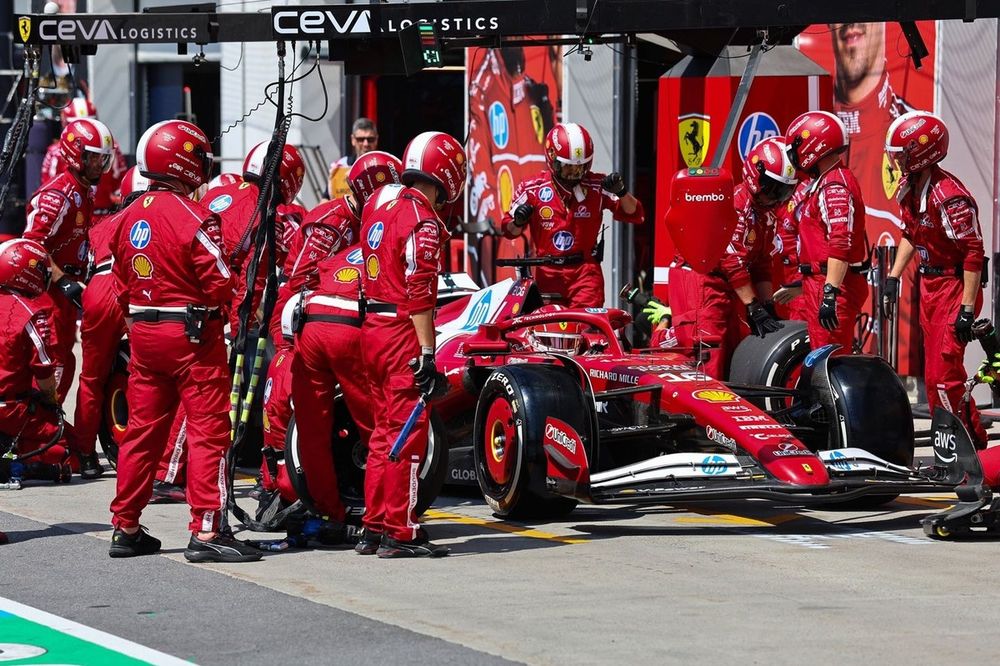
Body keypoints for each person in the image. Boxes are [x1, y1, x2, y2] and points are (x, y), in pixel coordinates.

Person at [108, 119, 260, 563]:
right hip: (192, 337)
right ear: (183, 162)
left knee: (141, 433)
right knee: (210, 430)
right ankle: (208, 530)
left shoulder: (125, 215)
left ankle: (125, 526)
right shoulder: (196, 217)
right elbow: (218, 281)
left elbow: (118, 282)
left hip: (144, 333)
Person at [359, 131, 466, 558]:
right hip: (401, 332)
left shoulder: (377, 205)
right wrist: (427, 354)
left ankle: (372, 525)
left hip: (370, 327)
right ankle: (400, 531)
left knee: (382, 434)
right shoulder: (423, 222)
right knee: (408, 435)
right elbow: (420, 292)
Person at [882, 111, 988, 447]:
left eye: (901, 155)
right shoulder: (910, 188)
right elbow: (910, 234)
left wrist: (967, 309)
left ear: (921, 152)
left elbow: (973, 253)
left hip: (955, 288)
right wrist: (893, 277)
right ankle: (964, 442)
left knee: (945, 377)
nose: (896, 162)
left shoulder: (949, 196)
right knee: (933, 379)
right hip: (929, 287)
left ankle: (968, 444)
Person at [23, 117, 115, 476]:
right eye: (93, 157)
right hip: (48, 294)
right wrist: (61, 279)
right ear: (75, 155)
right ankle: (38, 445)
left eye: (101, 158)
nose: (99, 165)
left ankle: (54, 440)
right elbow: (32, 244)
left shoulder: (84, 191)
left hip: (70, 291)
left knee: (68, 365)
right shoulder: (58, 194)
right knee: (55, 366)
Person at [663, 137, 797, 378]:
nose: (777, 197)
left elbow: (762, 263)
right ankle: (695, 412)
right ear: (756, 177)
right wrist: (754, 307)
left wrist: (767, 306)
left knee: (736, 349)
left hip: (730, 285)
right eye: (773, 189)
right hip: (700, 279)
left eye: (784, 191)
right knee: (706, 350)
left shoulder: (766, 214)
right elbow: (730, 260)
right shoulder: (735, 205)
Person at [501, 122, 644, 308]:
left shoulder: (597, 185)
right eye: (568, 168)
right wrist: (518, 221)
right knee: (547, 331)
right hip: (548, 273)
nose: (574, 174)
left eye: (580, 168)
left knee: (587, 330)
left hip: (585, 273)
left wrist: (622, 191)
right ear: (552, 158)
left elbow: (636, 214)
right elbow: (508, 230)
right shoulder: (531, 188)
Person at [71, 167, 149, 482]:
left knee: (90, 380)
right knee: (151, 378)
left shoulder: (102, 224)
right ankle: (146, 458)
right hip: (133, 288)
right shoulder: (157, 215)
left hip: (98, 288)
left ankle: (86, 456)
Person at [784, 110, 868, 353]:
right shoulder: (824, 181)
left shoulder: (834, 184)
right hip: (819, 282)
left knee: (828, 360)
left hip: (830, 285)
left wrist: (830, 293)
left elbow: (840, 241)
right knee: (820, 357)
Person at [201, 141, 304, 336]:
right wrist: (238, 333)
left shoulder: (215, 193)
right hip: (218, 311)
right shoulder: (268, 215)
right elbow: (252, 283)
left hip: (178, 299)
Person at [0, 239, 74, 476]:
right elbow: (43, 373)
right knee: (68, 447)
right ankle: (22, 465)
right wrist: (52, 402)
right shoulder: (32, 314)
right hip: (10, 409)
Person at [41, 97, 127, 221]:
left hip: (104, 217)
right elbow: (49, 192)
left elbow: (120, 186)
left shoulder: (112, 148)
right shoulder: (55, 153)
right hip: (69, 219)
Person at [327, 118, 379, 201]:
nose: (366, 144)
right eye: (360, 139)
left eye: (370, 139)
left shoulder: (385, 166)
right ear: (353, 140)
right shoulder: (340, 166)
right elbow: (324, 200)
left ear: (376, 140)